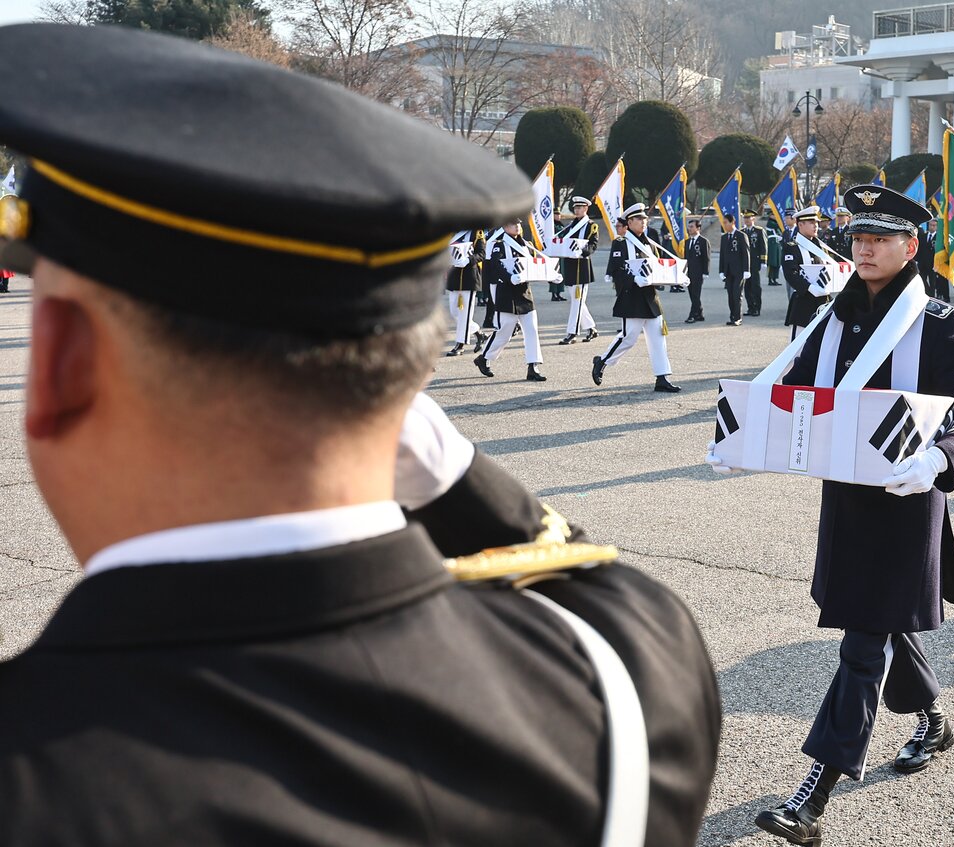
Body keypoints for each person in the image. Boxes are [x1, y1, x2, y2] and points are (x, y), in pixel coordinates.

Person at [0, 21, 722, 844]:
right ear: (408, 383)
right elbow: (598, 590)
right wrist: (447, 474)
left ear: (60, 360)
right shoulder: (628, 682)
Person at [708, 184, 954, 847]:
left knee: (863, 644)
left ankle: (812, 797)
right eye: (859, 238)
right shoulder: (829, 320)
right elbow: (792, 395)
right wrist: (744, 441)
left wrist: (941, 458)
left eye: (880, 239)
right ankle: (932, 720)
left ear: (911, 247)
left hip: (907, 501)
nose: (864, 249)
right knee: (885, 621)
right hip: (846, 499)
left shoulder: (941, 323)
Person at [594, 203, 682, 392]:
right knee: (628, 337)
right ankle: (602, 361)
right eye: (639, 219)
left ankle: (662, 378)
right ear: (629, 222)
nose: (643, 222)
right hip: (631, 297)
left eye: (644, 219)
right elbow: (616, 271)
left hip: (651, 298)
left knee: (658, 338)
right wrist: (634, 279)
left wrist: (677, 279)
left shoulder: (651, 244)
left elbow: (659, 269)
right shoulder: (620, 243)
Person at [475, 218, 545, 382]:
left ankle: (533, 366)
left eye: (519, 224)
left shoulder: (526, 244)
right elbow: (496, 266)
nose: (517, 227)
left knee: (531, 329)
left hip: (524, 292)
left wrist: (549, 274)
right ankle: (484, 358)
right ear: (505, 227)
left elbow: (534, 264)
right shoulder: (499, 245)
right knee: (504, 331)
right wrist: (509, 277)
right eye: (513, 224)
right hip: (506, 291)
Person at [782, 205, 838, 340]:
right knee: (799, 344)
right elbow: (791, 273)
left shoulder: (821, 246)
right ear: (800, 224)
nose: (816, 226)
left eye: (817, 223)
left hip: (823, 301)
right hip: (804, 302)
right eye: (812, 223)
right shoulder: (792, 247)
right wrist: (809, 287)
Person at [557, 196, 600, 345]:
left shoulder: (591, 225)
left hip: (581, 268)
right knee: (578, 302)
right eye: (575, 207)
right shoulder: (570, 225)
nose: (576, 210)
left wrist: (582, 251)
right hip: (570, 265)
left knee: (577, 302)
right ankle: (591, 328)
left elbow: (593, 245)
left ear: (586, 208)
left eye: (579, 207)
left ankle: (572, 332)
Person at [443, 228, 481, 357]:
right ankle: (478, 333)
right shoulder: (452, 231)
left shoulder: (476, 233)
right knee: (454, 313)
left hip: (468, 278)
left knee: (464, 314)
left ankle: (460, 344)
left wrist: (468, 260)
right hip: (454, 277)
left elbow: (482, 253)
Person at [718, 212, 750, 326]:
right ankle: (732, 316)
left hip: (739, 271)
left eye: (726, 222)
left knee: (737, 294)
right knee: (730, 295)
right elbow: (722, 255)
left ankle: (737, 317)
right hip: (728, 271)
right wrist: (721, 270)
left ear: (733, 222)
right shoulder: (724, 237)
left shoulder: (741, 236)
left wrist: (746, 270)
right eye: (723, 223)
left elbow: (746, 253)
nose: (724, 225)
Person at [683, 216, 710, 323]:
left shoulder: (703, 241)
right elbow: (686, 258)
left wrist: (705, 272)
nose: (689, 229)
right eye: (689, 226)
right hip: (689, 272)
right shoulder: (687, 242)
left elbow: (706, 257)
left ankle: (693, 315)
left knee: (695, 294)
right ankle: (700, 313)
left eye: (691, 227)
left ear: (698, 228)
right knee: (692, 294)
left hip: (698, 272)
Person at [742, 209, 765, 316]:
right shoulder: (742, 231)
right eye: (745, 218)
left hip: (755, 262)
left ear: (753, 218)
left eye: (748, 217)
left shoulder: (759, 231)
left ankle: (757, 307)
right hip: (745, 264)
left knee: (755, 286)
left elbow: (763, 246)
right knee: (746, 287)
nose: (746, 220)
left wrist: (763, 260)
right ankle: (750, 307)